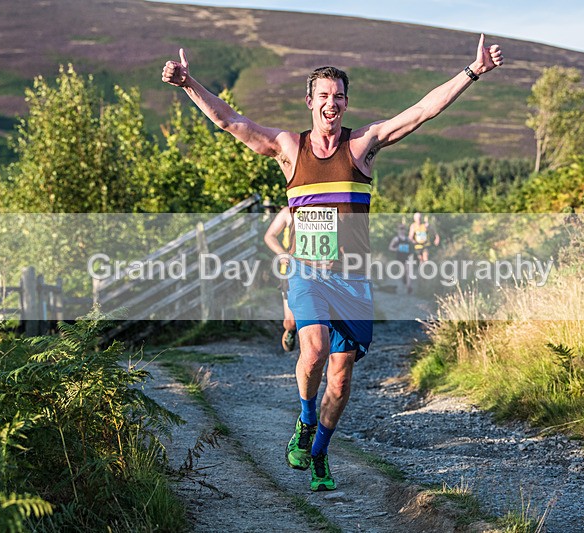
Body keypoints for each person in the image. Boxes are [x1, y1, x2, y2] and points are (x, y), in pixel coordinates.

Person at [162, 34, 503, 491]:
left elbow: (422, 110)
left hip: (353, 281)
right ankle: (304, 421)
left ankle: (320, 450)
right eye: (324, 95)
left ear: (346, 103)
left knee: (340, 383)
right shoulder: (289, 148)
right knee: (315, 351)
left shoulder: (362, 145)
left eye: (339, 96)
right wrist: (188, 84)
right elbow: (230, 121)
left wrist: (473, 71)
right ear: (310, 101)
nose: (332, 103)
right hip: (307, 273)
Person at [263, 206, 297, 351]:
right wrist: (282, 253)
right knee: (291, 322)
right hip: (289, 271)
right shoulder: (287, 212)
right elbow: (269, 236)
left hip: (317, 271)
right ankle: (290, 330)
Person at [388, 222, 415, 294]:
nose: (402, 230)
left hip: (407, 256)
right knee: (403, 272)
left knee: (408, 270)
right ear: (398, 230)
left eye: (403, 229)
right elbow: (390, 248)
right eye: (401, 229)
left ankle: (409, 287)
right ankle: (405, 282)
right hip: (399, 257)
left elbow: (413, 245)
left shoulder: (407, 239)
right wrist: (396, 249)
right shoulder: (396, 239)